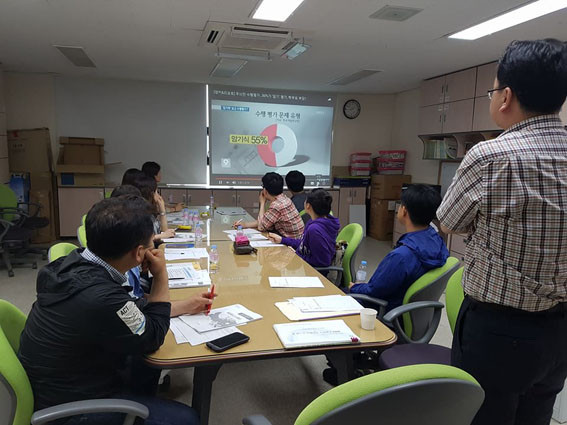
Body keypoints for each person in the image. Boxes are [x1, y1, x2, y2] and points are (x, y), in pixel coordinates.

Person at [437, 39, 567, 425]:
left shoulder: (491, 156)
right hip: (560, 330)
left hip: (498, 330)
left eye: (492, 91)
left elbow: (449, 221)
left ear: (506, 96)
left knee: (484, 415)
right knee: (537, 414)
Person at [18, 196, 212, 425]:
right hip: (72, 409)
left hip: (64, 379)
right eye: (151, 244)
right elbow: (153, 335)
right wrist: (160, 275)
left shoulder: (73, 264)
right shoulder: (101, 298)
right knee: (187, 419)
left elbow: (132, 308)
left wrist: (185, 305)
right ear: (139, 253)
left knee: (144, 364)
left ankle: (140, 401)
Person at [349, 184, 448, 312]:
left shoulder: (401, 256)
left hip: (386, 309)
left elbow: (375, 291)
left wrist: (354, 287)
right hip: (410, 310)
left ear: (404, 211)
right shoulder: (437, 241)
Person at [268, 188, 339, 268]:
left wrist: (296, 255)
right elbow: (304, 245)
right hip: (307, 267)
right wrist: (282, 240)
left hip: (314, 272)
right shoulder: (317, 222)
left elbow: (322, 262)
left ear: (308, 206)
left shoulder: (314, 229)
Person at [236, 172, 304, 239]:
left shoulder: (276, 206)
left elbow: (261, 227)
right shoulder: (284, 198)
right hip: (298, 240)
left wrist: (262, 203)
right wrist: (245, 225)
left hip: (292, 243)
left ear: (265, 190)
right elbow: (266, 221)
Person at [132, 173, 174, 240]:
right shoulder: (139, 214)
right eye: (156, 192)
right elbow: (142, 240)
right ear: (151, 194)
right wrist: (161, 236)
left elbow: (164, 231)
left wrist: (162, 210)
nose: (159, 196)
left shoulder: (150, 211)